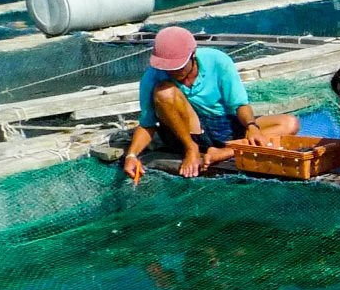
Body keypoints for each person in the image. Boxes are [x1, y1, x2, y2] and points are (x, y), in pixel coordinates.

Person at [122, 27, 299, 181]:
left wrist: (251, 126)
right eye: (168, 68)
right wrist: (131, 155)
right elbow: (147, 124)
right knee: (165, 92)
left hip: (226, 126)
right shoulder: (152, 76)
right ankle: (192, 149)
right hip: (190, 132)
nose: (173, 72)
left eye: (178, 66)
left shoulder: (218, 61)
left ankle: (224, 153)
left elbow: (239, 105)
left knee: (289, 123)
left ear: (193, 55)